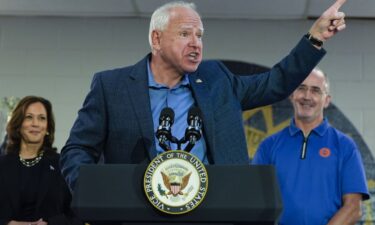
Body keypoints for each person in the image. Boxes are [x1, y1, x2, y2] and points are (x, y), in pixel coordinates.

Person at [60, 0, 347, 191]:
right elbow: (77, 150)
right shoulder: (112, 86)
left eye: (200, 35)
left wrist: (315, 38)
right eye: (186, 34)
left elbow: (276, 83)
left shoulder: (216, 79)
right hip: (137, 212)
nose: (196, 44)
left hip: (213, 211)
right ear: (156, 39)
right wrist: (92, 192)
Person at [252, 68, 370, 225]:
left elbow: (354, 208)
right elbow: (255, 203)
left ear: (327, 100)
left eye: (315, 90)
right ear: (292, 95)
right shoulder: (268, 146)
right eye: (301, 88)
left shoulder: (345, 146)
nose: (307, 96)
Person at [0, 96, 81, 225]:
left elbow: (77, 215)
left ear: (48, 127)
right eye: (29, 117)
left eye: (42, 118)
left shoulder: (62, 165)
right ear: (18, 124)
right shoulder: (2, 165)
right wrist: (8, 224)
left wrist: (50, 224)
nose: (36, 124)